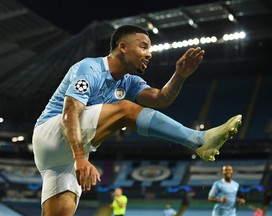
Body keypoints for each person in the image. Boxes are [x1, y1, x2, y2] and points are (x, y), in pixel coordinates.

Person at [32, 24, 242, 215]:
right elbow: (69, 114)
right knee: (126, 110)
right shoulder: (91, 68)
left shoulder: (129, 82)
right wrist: (80, 157)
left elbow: (161, 99)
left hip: (62, 160)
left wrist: (179, 75)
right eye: (143, 47)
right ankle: (198, 140)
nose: (149, 54)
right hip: (51, 135)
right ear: (123, 47)